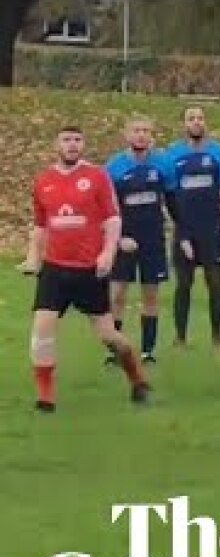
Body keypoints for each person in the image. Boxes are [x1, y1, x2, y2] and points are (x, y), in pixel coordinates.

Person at [25, 126, 151, 412]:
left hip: (88, 270)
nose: (72, 145)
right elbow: (40, 225)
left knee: (108, 335)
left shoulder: (97, 177)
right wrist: (33, 257)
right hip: (55, 268)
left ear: (83, 145)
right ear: (56, 144)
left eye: (77, 140)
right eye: (66, 139)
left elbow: (112, 219)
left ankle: (137, 379)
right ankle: (46, 397)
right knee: (42, 330)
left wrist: (107, 253)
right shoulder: (44, 180)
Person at [165, 105, 220, 353]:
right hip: (185, 230)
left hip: (212, 230)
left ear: (205, 123)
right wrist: (180, 228)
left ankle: (217, 337)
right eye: (191, 118)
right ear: (184, 124)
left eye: (200, 118)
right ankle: (180, 338)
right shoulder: (172, 155)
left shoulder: (219, 154)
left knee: (215, 284)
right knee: (183, 285)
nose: (196, 122)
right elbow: (169, 196)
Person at [104, 115, 175, 365]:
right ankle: (115, 350)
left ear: (152, 135)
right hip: (124, 240)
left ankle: (147, 351)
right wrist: (119, 237)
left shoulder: (163, 165)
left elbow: (172, 201)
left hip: (153, 238)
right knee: (117, 295)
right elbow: (107, 209)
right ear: (127, 134)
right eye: (136, 130)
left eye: (146, 130)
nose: (141, 135)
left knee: (151, 295)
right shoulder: (114, 168)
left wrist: (182, 231)